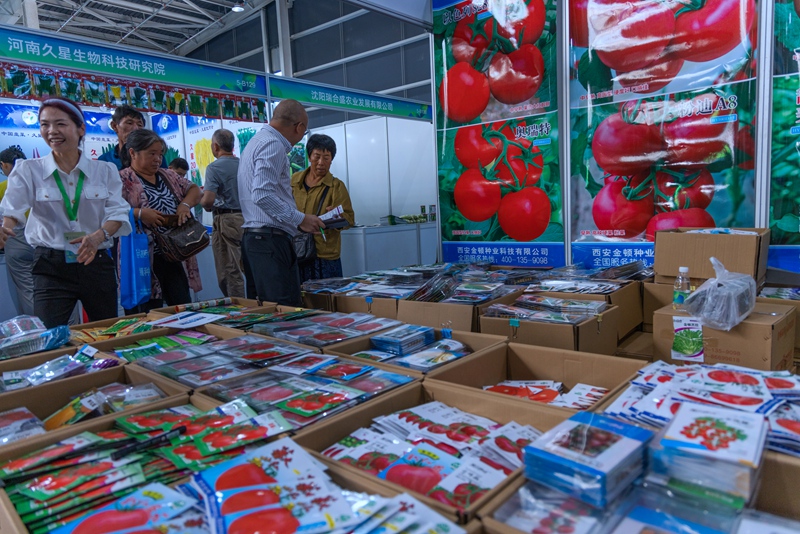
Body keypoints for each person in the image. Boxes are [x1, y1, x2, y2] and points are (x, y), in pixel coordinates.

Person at [0, 97, 131, 327]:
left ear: (81, 129)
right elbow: (13, 208)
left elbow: (117, 213)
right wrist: (5, 228)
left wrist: (98, 236)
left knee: (106, 331)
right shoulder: (28, 170)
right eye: (45, 124)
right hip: (51, 265)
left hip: (95, 260)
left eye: (60, 124)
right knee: (51, 335)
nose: (52, 131)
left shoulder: (105, 170)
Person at [238, 99, 325, 306]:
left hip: (256, 240)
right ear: (299, 127)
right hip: (270, 242)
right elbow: (261, 194)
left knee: (264, 310)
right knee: (284, 311)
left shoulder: (256, 141)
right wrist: (300, 219)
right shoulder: (273, 144)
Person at [119, 129, 203, 311]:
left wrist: (185, 205)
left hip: (174, 252)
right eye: (152, 154)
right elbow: (109, 210)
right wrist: (139, 213)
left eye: (160, 154)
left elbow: (195, 190)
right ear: (133, 153)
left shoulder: (168, 175)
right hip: (142, 256)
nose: (157, 159)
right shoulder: (122, 179)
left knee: (182, 306)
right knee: (148, 310)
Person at [291, 134, 354, 282]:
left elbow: (350, 219)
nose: (321, 162)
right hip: (296, 250)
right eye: (317, 156)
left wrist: (338, 218)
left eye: (326, 158)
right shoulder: (293, 182)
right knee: (298, 294)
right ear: (309, 156)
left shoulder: (336, 186)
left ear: (331, 160)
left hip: (324, 255)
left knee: (328, 294)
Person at [200, 129, 244, 298]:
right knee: (247, 266)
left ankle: (238, 307)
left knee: (230, 270)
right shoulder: (243, 164)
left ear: (215, 146)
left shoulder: (214, 168)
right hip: (247, 219)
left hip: (226, 221)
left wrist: (202, 201)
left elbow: (208, 201)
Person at [0, 146, 34, 315]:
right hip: (42, 241)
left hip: (15, 239)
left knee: (27, 289)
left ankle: (38, 326)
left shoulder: (3, 187)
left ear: (4, 164)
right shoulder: (38, 182)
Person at [99, 105, 145, 170]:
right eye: (129, 123)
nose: (136, 128)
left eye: (139, 125)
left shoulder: (152, 157)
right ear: (114, 126)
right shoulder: (104, 161)